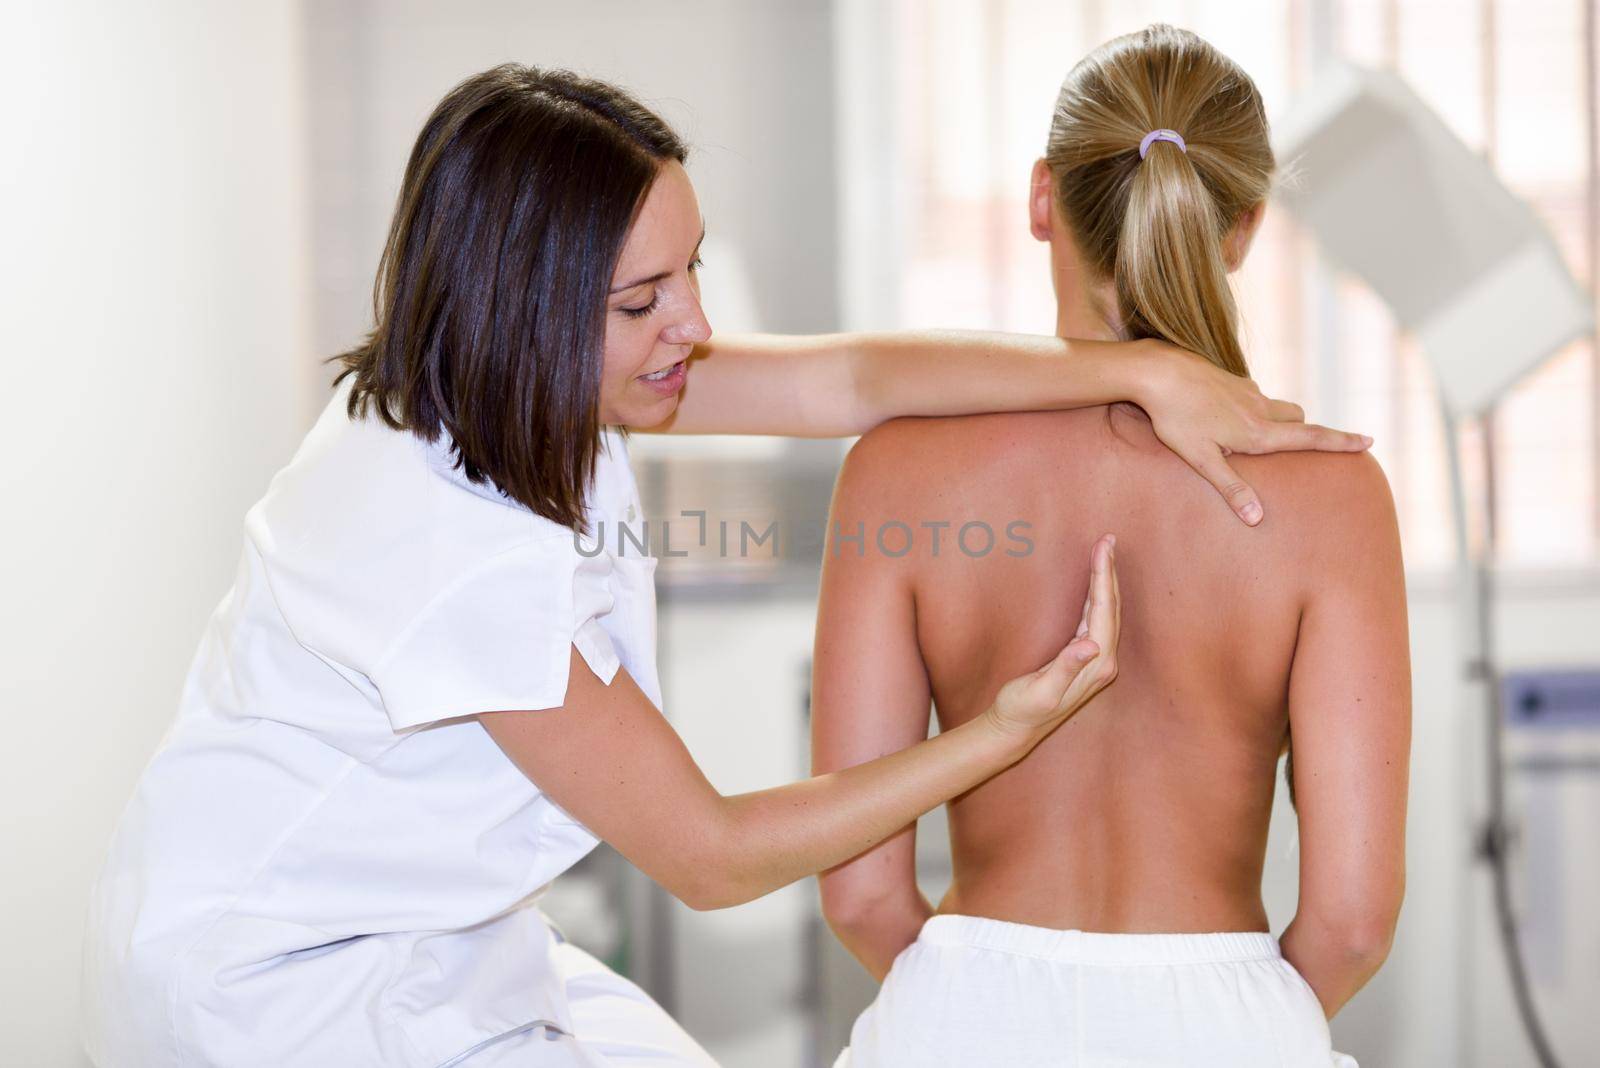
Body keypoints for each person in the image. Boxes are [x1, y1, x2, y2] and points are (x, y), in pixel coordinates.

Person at [81, 63, 1369, 1067]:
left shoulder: (506, 382)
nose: (693, 326)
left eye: (688, 266)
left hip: (444, 932)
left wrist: (1141, 369)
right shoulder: (434, 542)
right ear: (528, 310)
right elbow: (709, 856)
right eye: (643, 301)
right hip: (284, 988)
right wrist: (1004, 729)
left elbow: (850, 378)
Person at [814, 25, 1410, 1068]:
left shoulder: (894, 470)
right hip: (1225, 1019)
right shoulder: (1332, 494)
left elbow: (860, 892)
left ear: (1044, 197)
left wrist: (980, 1007)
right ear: (1244, 227)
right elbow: (1353, 922)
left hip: (957, 1013)